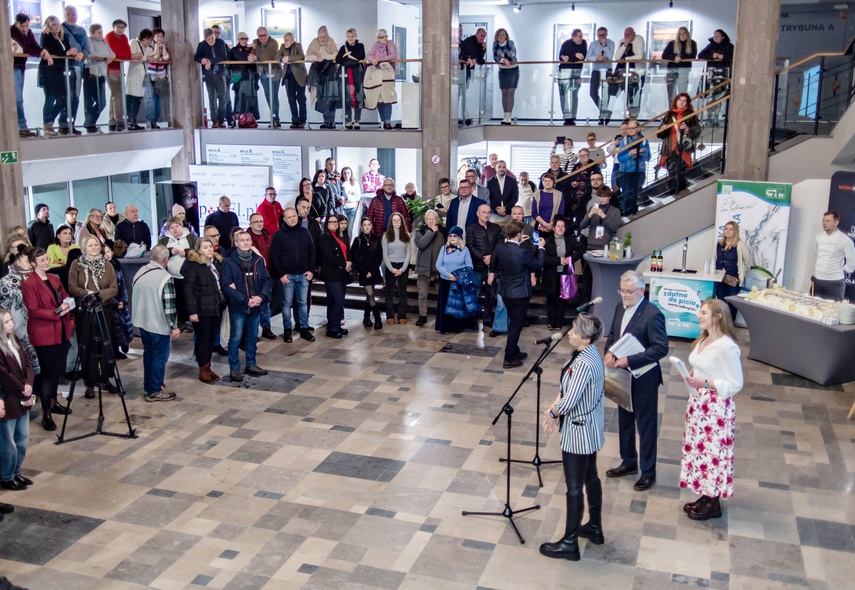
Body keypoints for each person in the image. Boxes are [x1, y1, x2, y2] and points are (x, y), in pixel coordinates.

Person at [539, 313, 606, 560]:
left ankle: (569, 543)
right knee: (591, 477)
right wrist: (554, 407)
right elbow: (567, 389)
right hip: (588, 426)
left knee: (574, 487)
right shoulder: (587, 354)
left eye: (575, 331)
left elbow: (572, 396)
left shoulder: (585, 363)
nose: (569, 333)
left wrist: (553, 412)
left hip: (579, 429)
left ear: (586, 338)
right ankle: (595, 527)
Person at [678, 299, 743, 521]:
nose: (699, 315)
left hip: (715, 408)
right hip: (698, 404)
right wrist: (690, 375)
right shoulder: (704, 338)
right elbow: (702, 368)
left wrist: (705, 383)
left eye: (704, 312)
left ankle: (714, 502)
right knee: (700, 449)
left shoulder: (727, 346)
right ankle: (705, 495)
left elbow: (735, 383)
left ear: (718, 316)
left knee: (713, 452)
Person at [604, 271, 668, 492]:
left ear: (641, 291)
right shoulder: (619, 306)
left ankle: (648, 472)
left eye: (628, 292)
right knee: (624, 421)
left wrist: (629, 360)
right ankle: (629, 461)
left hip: (644, 378)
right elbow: (613, 334)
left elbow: (660, 348)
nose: (623, 295)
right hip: (622, 376)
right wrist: (609, 353)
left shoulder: (652, 314)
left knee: (646, 426)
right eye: (621, 290)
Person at [22, 247, 72, 429]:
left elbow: (64, 296)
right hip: (44, 333)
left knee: (56, 371)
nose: (46, 262)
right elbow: (33, 310)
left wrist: (67, 304)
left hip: (60, 329)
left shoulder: (54, 278)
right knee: (47, 374)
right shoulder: (29, 283)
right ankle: (46, 412)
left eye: (46, 258)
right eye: (41, 260)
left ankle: (53, 402)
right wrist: (57, 312)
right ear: (33, 263)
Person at [69, 236, 119, 399]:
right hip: (86, 309)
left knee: (106, 344)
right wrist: (87, 294)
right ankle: (90, 382)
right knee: (88, 345)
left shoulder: (108, 265)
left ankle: (106, 378)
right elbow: (72, 287)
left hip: (104, 309)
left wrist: (99, 295)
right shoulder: (76, 265)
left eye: (96, 244)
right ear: (84, 247)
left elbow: (114, 288)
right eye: (90, 245)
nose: (94, 247)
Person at [490, 221, 545, 368]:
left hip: (506, 291)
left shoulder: (501, 248)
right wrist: (541, 248)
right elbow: (538, 264)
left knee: (514, 321)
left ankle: (515, 351)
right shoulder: (522, 252)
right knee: (516, 325)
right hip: (520, 294)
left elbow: (493, 262)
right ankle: (509, 358)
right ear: (519, 234)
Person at [222, 231, 272, 382]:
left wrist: (261, 297)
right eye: (241, 240)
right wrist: (245, 300)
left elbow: (267, 280)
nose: (245, 242)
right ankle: (234, 368)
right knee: (236, 338)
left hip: (256, 305)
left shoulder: (258, 260)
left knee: (252, 336)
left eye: (247, 240)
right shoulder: (228, 262)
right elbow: (226, 286)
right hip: (239, 306)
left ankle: (251, 364)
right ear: (236, 243)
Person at [131, 245, 178, 402]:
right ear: (165, 259)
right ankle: (155, 390)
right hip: (157, 324)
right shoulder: (165, 278)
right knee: (160, 356)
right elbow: (169, 307)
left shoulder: (140, 271)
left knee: (149, 354)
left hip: (142, 322)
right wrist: (174, 326)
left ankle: (149, 385)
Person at [0, 307, 36, 492]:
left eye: (11, 320)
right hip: (9, 398)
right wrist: (22, 387)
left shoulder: (15, 340)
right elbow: (4, 375)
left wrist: (29, 382)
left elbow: (28, 363)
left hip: (22, 395)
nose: (12, 324)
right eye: (6, 322)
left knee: (23, 438)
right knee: (8, 443)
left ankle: (16, 471)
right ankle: (6, 476)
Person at [0, 245, 40, 402]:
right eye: (27, 260)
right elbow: (5, 308)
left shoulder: (38, 276)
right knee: (22, 367)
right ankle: (24, 399)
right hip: (18, 328)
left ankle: (46, 403)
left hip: (38, 327)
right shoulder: (6, 281)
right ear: (17, 261)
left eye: (32, 261)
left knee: (40, 369)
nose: (30, 264)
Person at [270, 208, 316, 344]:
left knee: (302, 303)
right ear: (284, 219)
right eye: (289, 217)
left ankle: (303, 328)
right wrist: (281, 274)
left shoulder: (304, 232)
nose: (292, 219)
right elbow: (274, 256)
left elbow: (312, 251)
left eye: (294, 216)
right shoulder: (279, 235)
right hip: (287, 276)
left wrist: (311, 270)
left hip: (303, 274)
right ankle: (287, 330)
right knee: (286, 303)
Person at [182, 238, 224, 384]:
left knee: (211, 339)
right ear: (198, 250)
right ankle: (203, 369)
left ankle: (208, 366)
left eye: (210, 246)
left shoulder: (216, 263)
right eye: (205, 247)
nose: (209, 249)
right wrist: (192, 311)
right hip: (201, 309)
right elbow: (188, 290)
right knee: (203, 339)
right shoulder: (193, 266)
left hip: (216, 306)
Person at [543, 217, 586, 330]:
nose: (560, 228)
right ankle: (551, 322)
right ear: (553, 228)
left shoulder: (570, 240)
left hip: (564, 275)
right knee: (551, 299)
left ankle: (559, 323)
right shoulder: (547, 241)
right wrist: (558, 260)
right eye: (558, 226)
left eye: (563, 226)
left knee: (562, 299)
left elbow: (582, 249)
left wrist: (571, 258)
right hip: (550, 275)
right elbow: (543, 258)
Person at [12, 12, 50, 138]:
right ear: (16, 23)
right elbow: (23, 49)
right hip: (12, 67)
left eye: (27, 26)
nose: (25, 29)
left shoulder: (28, 33)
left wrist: (43, 51)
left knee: (18, 98)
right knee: (17, 99)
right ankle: (21, 127)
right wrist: (39, 54)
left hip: (20, 66)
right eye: (22, 26)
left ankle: (21, 127)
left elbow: (34, 46)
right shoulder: (11, 32)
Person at [657, 93, 702, 195]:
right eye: (679, 100)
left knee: (679, 171)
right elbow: (660, 135)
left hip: (683, 147)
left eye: (684, 101)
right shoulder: (669, 115)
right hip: (669, 147)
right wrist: (663, 129)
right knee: (671, 172)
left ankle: (679, 192)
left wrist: (687, 129)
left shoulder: (690, 115)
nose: (681, 103)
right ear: (676, 101)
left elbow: (697, 130)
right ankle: (674, 193)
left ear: (687, 103)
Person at [38, 15, 74, 138]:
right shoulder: (45, 36)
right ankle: (47, 124)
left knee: (62, 99)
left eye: (58, 24)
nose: (57, 26)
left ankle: (49, 121)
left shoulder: (63, 37)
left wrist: (71, 52)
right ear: (48, 26)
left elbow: (67, 50)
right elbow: (48, 51)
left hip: (60, 71)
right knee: (50, 97)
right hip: (49, 70)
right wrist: (66, 53)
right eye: (53, 24)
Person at [435, 226, 476, 334]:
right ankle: (444, 327)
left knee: (457, 305)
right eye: (450, 236)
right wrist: (448, 275)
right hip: (445, 281)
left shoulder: (465, 250)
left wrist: (459, 275)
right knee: (445, 304)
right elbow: (438, 265)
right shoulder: (444, 248)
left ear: (459, 237)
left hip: (458, 282)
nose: (452, 238)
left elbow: (469, 266)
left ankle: (456, 327)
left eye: (455, 236)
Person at [466, 204, 502, 326]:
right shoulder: (471, 229)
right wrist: (483, 258)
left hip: (492, 267)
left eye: (488, 212)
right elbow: (470, 246)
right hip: (477, 266)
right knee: (474, 293)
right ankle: (473, 318)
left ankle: (487, 317)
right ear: (478, 213)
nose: (486, 215)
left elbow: (499, 245)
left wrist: (492, 257)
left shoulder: (496, 228)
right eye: (483, 212)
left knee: (491, 294)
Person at [316, 217, 352, 338]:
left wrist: (349, 263)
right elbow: (329, 256)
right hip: (331, 274)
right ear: (327, 224)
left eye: (336, 222)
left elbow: (346, 251)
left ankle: (334, 325)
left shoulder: (339, 236)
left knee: (333, 300)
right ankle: (333, 328)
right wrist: (344, 264)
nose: (334, 224)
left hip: (341, 273)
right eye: (331, 222)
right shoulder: (324, 238)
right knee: (338, 300)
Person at [812, 210, 855, 301]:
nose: (824, 223)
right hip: (817, 280)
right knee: (812, 308)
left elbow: (852, 261)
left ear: (836, 222)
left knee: (834, 310)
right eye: (823, 220)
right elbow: (817, 256)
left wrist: (840, 271)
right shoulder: (818, 237)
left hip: (834, 283)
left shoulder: (845, 240)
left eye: (828, 221)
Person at [414, 210, 446, 327]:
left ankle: (441, 315)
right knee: (422, 294)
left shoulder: (443, 231)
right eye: (429, 219)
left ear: (437, 220)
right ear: (425, 221)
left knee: (441, 294)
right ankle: (423, 315)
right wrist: (431, 231)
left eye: (433, 219)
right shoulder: (420, 231)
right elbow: (421, 244)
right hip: (424, 268)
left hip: (439, 269)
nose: (431, 221)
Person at [351, 218, 385, 330]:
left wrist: (372, 271)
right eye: (364, 225)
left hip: (374, 272)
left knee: (369, 295)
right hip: (363, 272)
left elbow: (379, 256)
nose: (366, 227)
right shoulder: (358, 240)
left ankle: (366, 317)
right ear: (361, 227)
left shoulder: (376, 239)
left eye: (368, 224)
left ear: (371, 226)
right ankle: (377, 319)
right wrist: (365, 272)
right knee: (370, 294)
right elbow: (356, 258)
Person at [61, 5, 89, 135]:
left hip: (78, 67)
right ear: (64, 15)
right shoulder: (60, 28)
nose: (71, 17)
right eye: (68, 14)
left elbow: (87, 48)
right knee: (64, 96)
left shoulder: (82, 31)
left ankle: (71, 124)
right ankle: (63, 125)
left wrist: (81, 54)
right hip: (63, 67)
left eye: (73, 14)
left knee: (75, 97)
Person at [381, 212, 414, 325]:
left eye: (398, 220)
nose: (396, 222)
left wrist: (403, 269)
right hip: (390, 266)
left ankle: (402, 315)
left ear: (401, 222)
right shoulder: (386, 236)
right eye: (394, 220)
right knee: (389, 292)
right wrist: (391, 269)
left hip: (402, 267)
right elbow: (384, 254)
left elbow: (408, 254)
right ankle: (390, 315)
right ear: (391, 222)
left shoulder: (406, 235)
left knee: (402, 293)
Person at [83, 23, 115, 134]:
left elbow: (112, 53)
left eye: (102, 31)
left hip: (102, 72)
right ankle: (90, 124)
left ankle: (89, 122)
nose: (102, 34)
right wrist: (106, 56)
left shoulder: (103, 40)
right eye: (99, 32)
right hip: (92, 72)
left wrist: (109, 56)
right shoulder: (89, 39)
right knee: (90, 100)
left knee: (102, 102)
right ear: (92, 33)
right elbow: (91, 52)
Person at [104, 240, 133, 359]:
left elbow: (122, 285)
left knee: (125, 325)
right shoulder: (103, 269)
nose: (108, 254)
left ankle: (125, 344)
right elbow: (105, 288)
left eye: (109, 251)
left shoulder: (116, 264)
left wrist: (123, 300)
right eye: (104, 253)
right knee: (115, 329)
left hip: (120, 301)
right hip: (111, 302)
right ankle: (115, 350)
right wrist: (116, 303)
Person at [195, 28, 229, 127]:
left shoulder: (220, 42)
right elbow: (196, 57)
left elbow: (223, 56)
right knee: (212, 97)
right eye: (209, 39)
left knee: (222, 97)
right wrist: (202, 60)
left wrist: (210, 61)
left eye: (212, 38)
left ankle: (222, 119)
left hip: (220, 73)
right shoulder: (202, 45)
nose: (211, 41)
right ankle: (215, 120)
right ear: (205, 39)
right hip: (209, 74)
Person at [306, 26, 339, 129]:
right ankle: (325, 121)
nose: (322, 39)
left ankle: (331, 121)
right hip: (319, 73)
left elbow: (336, 55)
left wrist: (324, 56)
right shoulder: (314, 42)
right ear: (317, 37)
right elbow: (307, 56)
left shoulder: (331, 41)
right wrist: (316, 58)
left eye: (324, 37)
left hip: (331, 72)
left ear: (327, 35)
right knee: (321, 98)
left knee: (331, 97)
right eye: (320, 37)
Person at [608, 28, 646, 119]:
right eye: (625, 34)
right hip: (622, 72)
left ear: (634, 33)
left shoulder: (639, 39)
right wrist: (625, 44)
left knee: (633, 93)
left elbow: (639, 56)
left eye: (629, 34)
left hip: (636, 71)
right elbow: (617, 57)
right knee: (614, 90)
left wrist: (625, 59)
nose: (627, 36)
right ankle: (608, 114)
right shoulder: (622, 41)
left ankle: (633, 116)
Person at [365, 28, 398, 130]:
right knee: (378, 98)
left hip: (387, 73)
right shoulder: (376, 45)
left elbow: (393, 55)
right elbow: (369, 55)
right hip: (377, 73)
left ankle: (388, 121)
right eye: (382, 37)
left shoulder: (390, 44)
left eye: (386, 36)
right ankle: (383, 121)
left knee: (387, 97)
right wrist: (373, 59)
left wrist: (380, 59)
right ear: (378, 38)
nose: (385, 39)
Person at [616, 119, 649, 216]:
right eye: (628, 128)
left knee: (635, 194)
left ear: (638, 129)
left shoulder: (643, 141)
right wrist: (630, 154)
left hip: (639, 171)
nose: (629, 130)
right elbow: (621, 158)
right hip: (625, 172)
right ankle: (627, 215)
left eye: (632, 128)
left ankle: (634, 214)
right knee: (627, 194)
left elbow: (648, 157)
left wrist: (642, 153)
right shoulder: (624, 141)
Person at [249, 27, 280, 128]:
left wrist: (257, 57)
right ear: (257, 36)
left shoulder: (274, 42)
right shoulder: (255, 42)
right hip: (262, 72)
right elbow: (252, 54)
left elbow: (270, 55)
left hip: (274, 72)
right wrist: (252, 56)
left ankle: (275, 119)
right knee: (268, 95)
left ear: (268, 34)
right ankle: (274, 119)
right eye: (260, 36)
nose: (263, 37)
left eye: (264, 35)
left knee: (273, 96)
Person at [337, 28, 366, 129]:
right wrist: (348, 57)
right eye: (348, 36)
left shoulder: (360, 46)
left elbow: (360, 56)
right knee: (347, 97)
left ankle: (357, 120)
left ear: (356, 37)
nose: (350, 38)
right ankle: (348, 120)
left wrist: (347, 56)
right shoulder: (342, 47)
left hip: (357, 74)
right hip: (346, 75)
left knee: (358, 96)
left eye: (352, 36)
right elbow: (338, 59)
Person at [277, 32, 307, 129]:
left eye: (287, 40)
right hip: (288, 77)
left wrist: (289, 58)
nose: (285, 42)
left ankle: (302, 120)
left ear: (292, 40)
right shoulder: (282, 47)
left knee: (301, 99)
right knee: (291, 99)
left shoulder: (297, 45)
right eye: (284, 40)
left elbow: (301, 56)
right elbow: (276, 56)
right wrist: (282, 59)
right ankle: (295, 120)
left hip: (299, 76)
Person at [124, 28, 152, 131]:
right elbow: (131, 56)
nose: (148, 41)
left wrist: (144, 57)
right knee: (131, 98)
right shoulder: (134, 42)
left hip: (142, 76)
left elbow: (152, 57)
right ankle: (128, 122)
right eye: (146, 39)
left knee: (138, 100)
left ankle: (134, 121)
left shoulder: (148, 47)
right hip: (133, 74)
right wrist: (145, 57)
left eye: (149, 39)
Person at [105, 20, 131, 131]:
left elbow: (128, 54)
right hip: (110, 69)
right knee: (117, 95)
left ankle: (112, 121)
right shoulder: (109, 36)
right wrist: (121, 55)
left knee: (114, 96)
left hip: (119, 69)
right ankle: (119, 120)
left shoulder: (124, 37)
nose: (120, 29)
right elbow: (113, 53)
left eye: (122, 27)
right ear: (114, 27)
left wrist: (121, 55)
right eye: (118, 27)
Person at [586, 27, 615, 125]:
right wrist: (596, 58)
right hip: (596, 70)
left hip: (607, 70)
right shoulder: (593, 44)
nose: (601, 37)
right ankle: (604, 111)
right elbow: (588, 57)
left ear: (606, 34)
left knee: (606, 94)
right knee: (593, 92)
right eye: (599, 35)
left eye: (603, 35)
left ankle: (604, 113)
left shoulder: (611, 43)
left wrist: (604, 46)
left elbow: (610, 57)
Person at [557, 28, 587, 126]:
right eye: (579, 36)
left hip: (576, 72)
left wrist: (570, 57)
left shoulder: (583, 44)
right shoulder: (566, 44)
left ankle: (573, 116)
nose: (581, 38)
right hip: (564, 71)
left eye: (581, 36)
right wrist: (574, 56)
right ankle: (566, 116)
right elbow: (561, 57)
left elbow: (583, 56)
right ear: (573, 36)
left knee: (574, 94)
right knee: (564, 94)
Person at [661, 27, 697, 106]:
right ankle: (672, 115)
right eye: (680, 34)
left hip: (683, 71)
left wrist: (680, 58)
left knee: (682, 95)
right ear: (678, 35)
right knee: (671, 96)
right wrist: (674, 57)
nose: (682, 35)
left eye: (684, 33)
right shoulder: (672, 43)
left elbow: (692, 56)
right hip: (671, 71)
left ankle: (682, 115)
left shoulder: (692, 43)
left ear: (687, 34)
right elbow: (664, 55)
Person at [458, 27, 487, 126]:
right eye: (481, 36)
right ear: (477, 34)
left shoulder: (467, 43)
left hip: (467, 71)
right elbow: (466, 55)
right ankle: (459, 115)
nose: (482, 38)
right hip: (460, 70)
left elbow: (481, 59)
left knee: (464, 93)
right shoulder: (469, 42)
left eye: (484, 37)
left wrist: (483, 49)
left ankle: (463, 115)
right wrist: (472, 58)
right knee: (459, 93)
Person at [230, 32, 259, 123]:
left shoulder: (251, 49)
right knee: (238, 97)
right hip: (238, 76)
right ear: (238, 39)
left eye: (246, 39)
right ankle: (238, 118)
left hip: (250, 77)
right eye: (242, 39)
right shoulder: (234, 50)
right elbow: (242, 59)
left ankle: (249, 119)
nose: (244, 40)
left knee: (250, 98)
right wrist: (247, 49)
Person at [567, 149, 601, 225]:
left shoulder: (594, 165)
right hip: (576, 192)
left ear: (588, 156)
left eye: (585, 155)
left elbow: (595, 178)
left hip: (588, 192)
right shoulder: (576, 166)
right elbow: (572, 178)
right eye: (581, 156)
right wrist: (573, 183)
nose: (583, 157)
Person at [493, 28, 519, 125]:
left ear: (506, 36)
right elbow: (495, 57)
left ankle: (509, 116)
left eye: (503, 34)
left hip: (513, 69)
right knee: (504, 92)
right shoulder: (495, 44)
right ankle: (505, 116)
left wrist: (503, 59)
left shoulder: (510, 43)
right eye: (499, 35)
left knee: (510, 92)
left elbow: (512, 56)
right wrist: (503, 60)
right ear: (497, 36)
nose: (501, 36)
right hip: (502, 70)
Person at [486, 160, 519, 225]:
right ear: (495, 168)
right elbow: (488, 197)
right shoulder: (489, 182)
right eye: (499, 167)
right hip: (494, 214)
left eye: (504, 167)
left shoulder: (512, 181)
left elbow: (515, 197)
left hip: (509, 214)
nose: (502, 169)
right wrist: (496, 208)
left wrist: (505, 208)